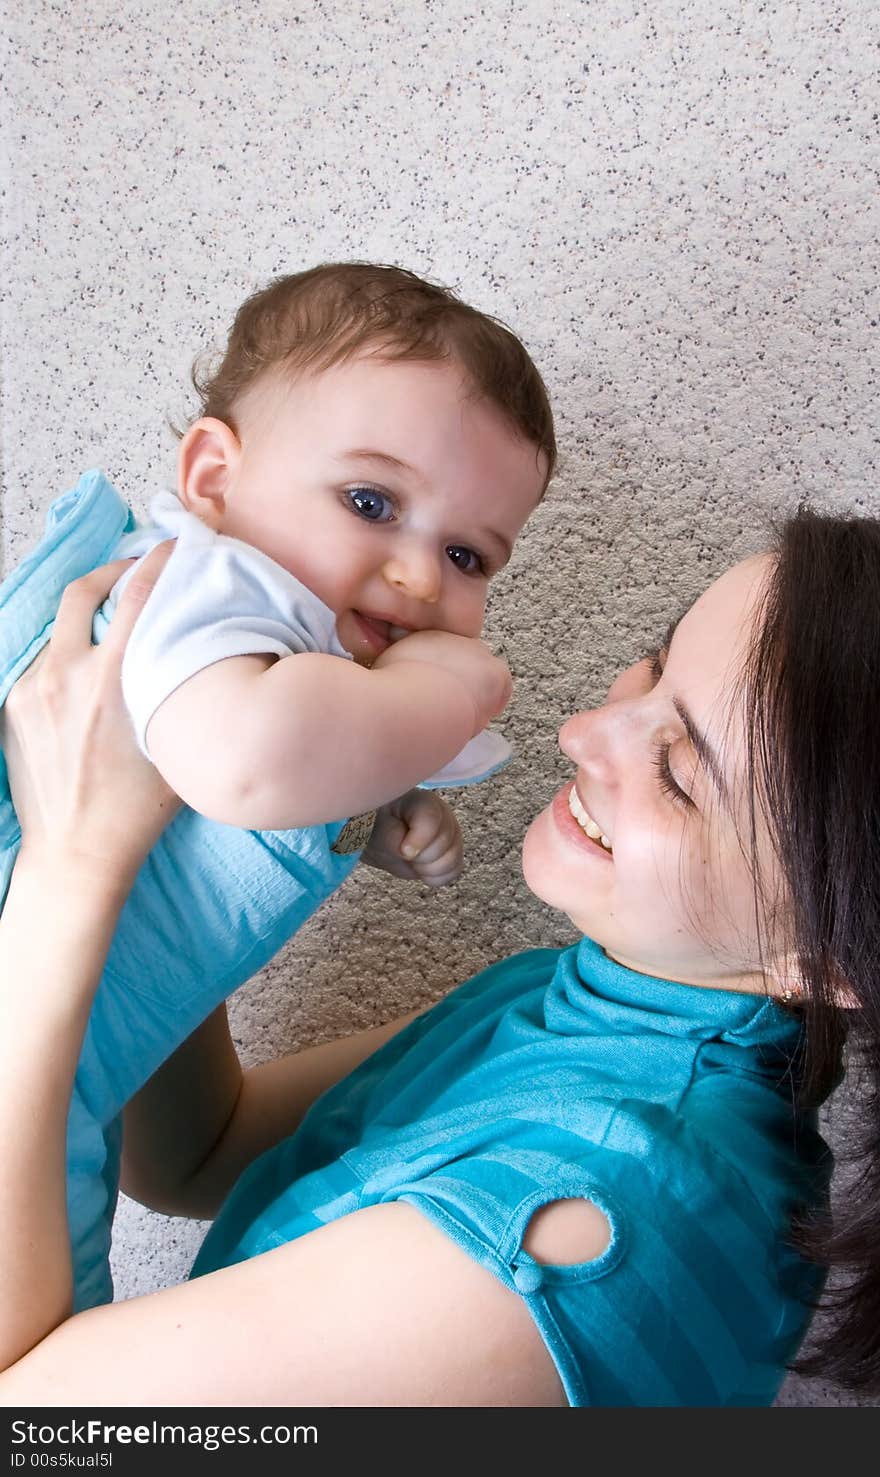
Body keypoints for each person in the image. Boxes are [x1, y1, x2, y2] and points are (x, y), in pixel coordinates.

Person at [4, 504, 877, 1407]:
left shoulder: (586, 1226)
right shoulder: (583, 991)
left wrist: (71, 859)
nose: (583, 731)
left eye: (679, 776)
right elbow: (197, 1153)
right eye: (655, 664)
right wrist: (191, 802)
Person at [0, 263, 555, 1311]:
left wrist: (369, 804)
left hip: (53, 1076)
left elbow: (251, 767)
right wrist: (443, 691)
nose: (419, 577)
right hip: (27, 1058)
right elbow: (243, 761)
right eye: (370, 500)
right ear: (213, 477)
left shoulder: (276, 643)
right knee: (47, 1385)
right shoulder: (206, 579)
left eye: (470, 555)